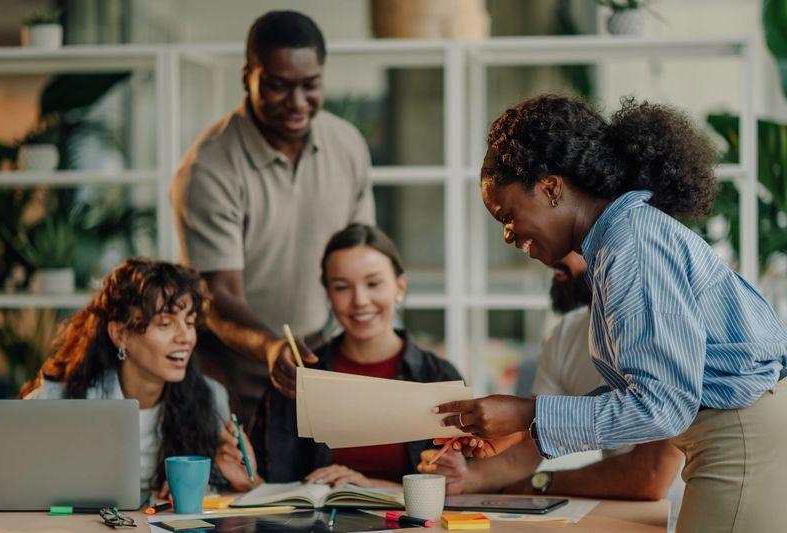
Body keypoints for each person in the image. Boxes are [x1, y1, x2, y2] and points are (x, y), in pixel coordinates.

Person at [434, 94, 787, 532]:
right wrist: (525, 417)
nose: (508, 235)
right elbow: (652, 391)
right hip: (738, 437)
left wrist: (527, 412)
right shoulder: (619, 239)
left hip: (742, 442)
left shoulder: (629, 247)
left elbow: (663, 407)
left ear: (550, 187)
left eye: (507, 215)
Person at [170, 10, 375, 429]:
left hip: (321, 351)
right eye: (279, 86)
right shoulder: (209, 167)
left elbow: (361, 257)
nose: (298, 103)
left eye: (310, 85)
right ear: (248, 76)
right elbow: (218, 294)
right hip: (237, 360)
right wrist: (271, 347)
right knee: (245, 486)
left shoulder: (348, 144)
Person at [420, 252, 683, 531]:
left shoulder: (661, 329)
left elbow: (648, 478)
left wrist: (536, 485)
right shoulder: (564, 336)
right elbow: (527, 444)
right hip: (621, 518)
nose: (545, 257)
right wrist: (467, 477)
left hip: (679, 517)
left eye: (571, 241)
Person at [21, 258, 259, 496]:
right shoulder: (59, 399)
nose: (185, 337)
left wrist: (243, 482)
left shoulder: (210, 396)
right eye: (165, 324)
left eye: (189, 322)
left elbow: (250, 494)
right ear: (120, 335)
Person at [254, 223, 462, 487]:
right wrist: (245, 478)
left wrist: (367, 485)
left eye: (373, 283)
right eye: (342, 287)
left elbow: (459, 488)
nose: (360, 300)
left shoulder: (439, 377)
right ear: (328, 293)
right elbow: (271, 482)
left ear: (400, 286)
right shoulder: (294, 379)